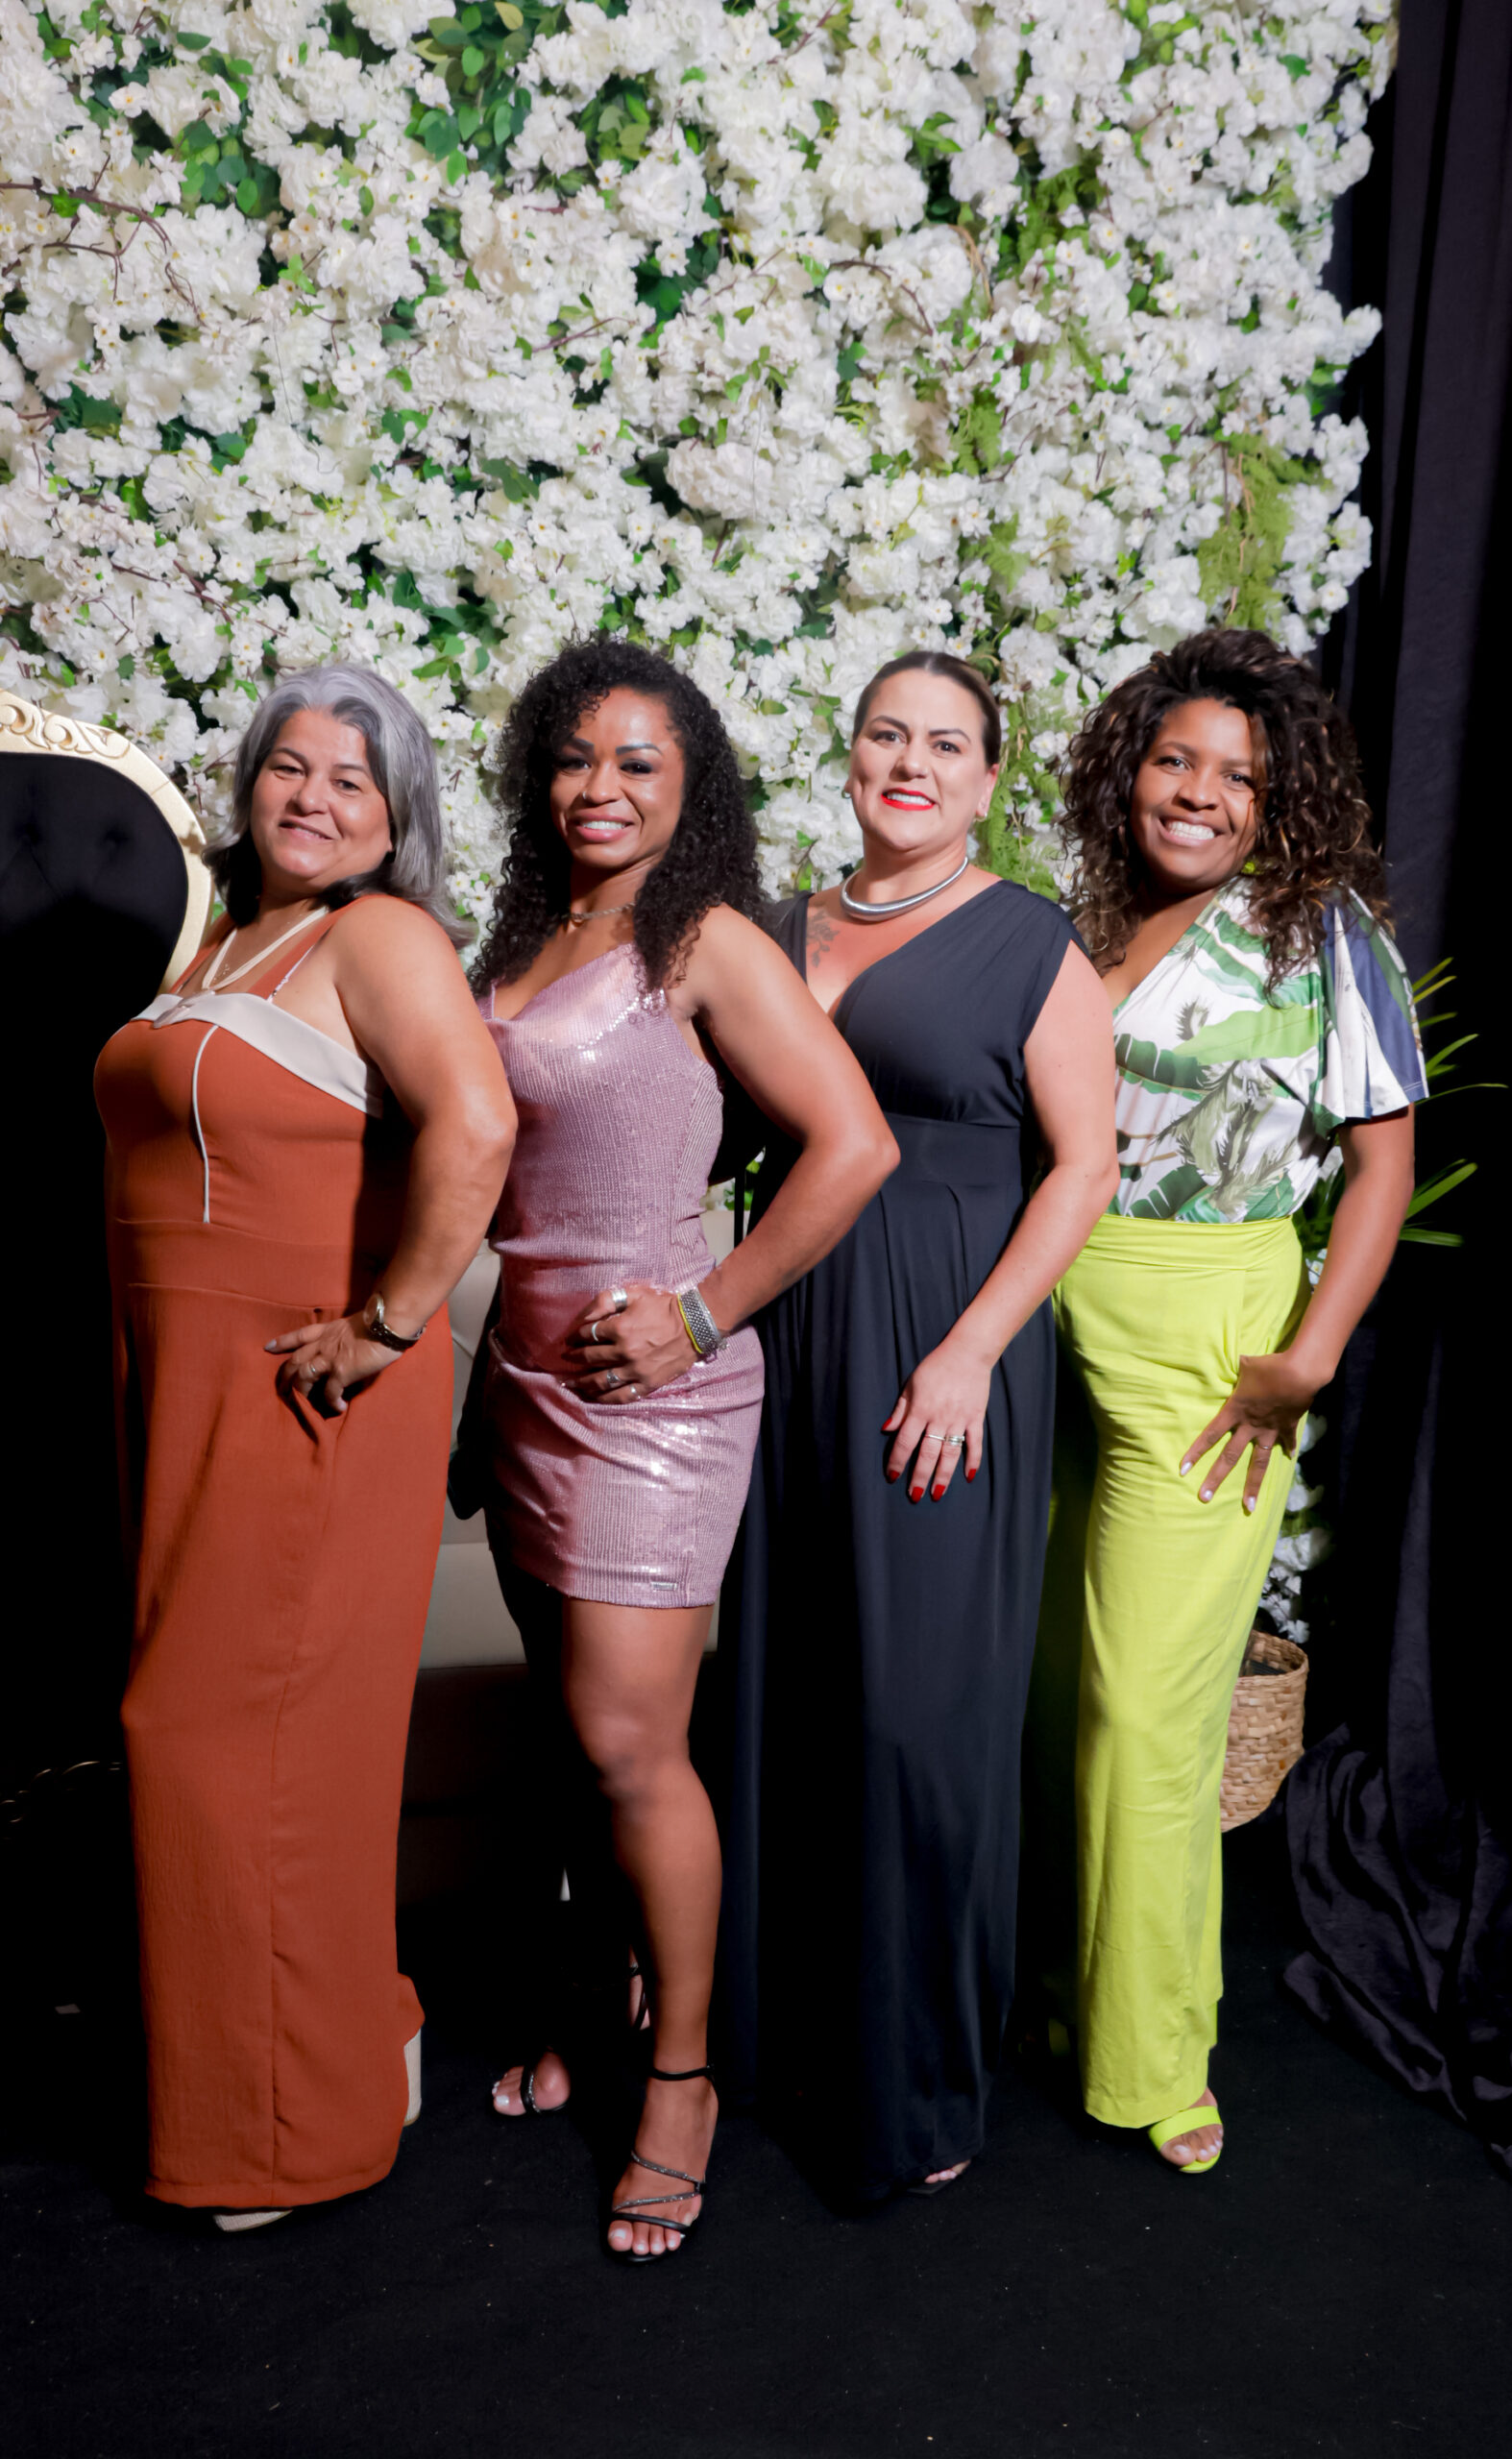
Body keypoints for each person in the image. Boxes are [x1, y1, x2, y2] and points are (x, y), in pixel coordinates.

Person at [469, 640, 896, 2264]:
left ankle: (683, 2079)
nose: (602, 786)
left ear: (689, 784)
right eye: (577, 757)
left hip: (653, 1395)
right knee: (576, 1745)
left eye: (639, 761)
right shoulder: (523, 934)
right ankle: (605, 1992)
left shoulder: (704, 939)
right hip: (522, 1384)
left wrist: (703, 1316)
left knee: (629, 1741)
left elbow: (853, 1143)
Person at [95, 665, 516, 2229]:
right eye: (291, 765)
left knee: (235, 1748)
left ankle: (283, 2130)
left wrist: (391, 1326)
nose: (315, 797)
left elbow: (477, 1123)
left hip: (298, 1391)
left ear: (397, 818)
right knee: (240, 1740)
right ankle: (357, 2036)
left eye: (354, 778)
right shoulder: (219, 938)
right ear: (249, 781)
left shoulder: (379, 937)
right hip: (176, 1382)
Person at [1026, 627, 1427, 2178]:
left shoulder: (1320, 933)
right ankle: (1063, 1995)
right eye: (1175, 759)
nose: (1198, 792)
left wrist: (1310, 1356)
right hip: (1045, 1317)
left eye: (1237, 777)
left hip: (1207, 1340)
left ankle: (1155, 2052)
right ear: (1129, 769)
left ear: (1280, 802)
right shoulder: (1082, 919)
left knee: (1151, 1713)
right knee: (1055, 1687)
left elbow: (1381, 1166)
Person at [719, 650, 1117, 2203]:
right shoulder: (771, 929)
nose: (912, 763)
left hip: (944, 1353)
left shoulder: (1031, 943)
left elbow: (1082, 1167)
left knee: (918, 1721)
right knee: (790, 1691)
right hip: (785, 1344)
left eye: (947, 744)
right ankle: (783, 2042)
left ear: (989, 780)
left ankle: (924, 2078)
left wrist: (970, 1353)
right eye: (887, 734)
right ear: (850, 755)